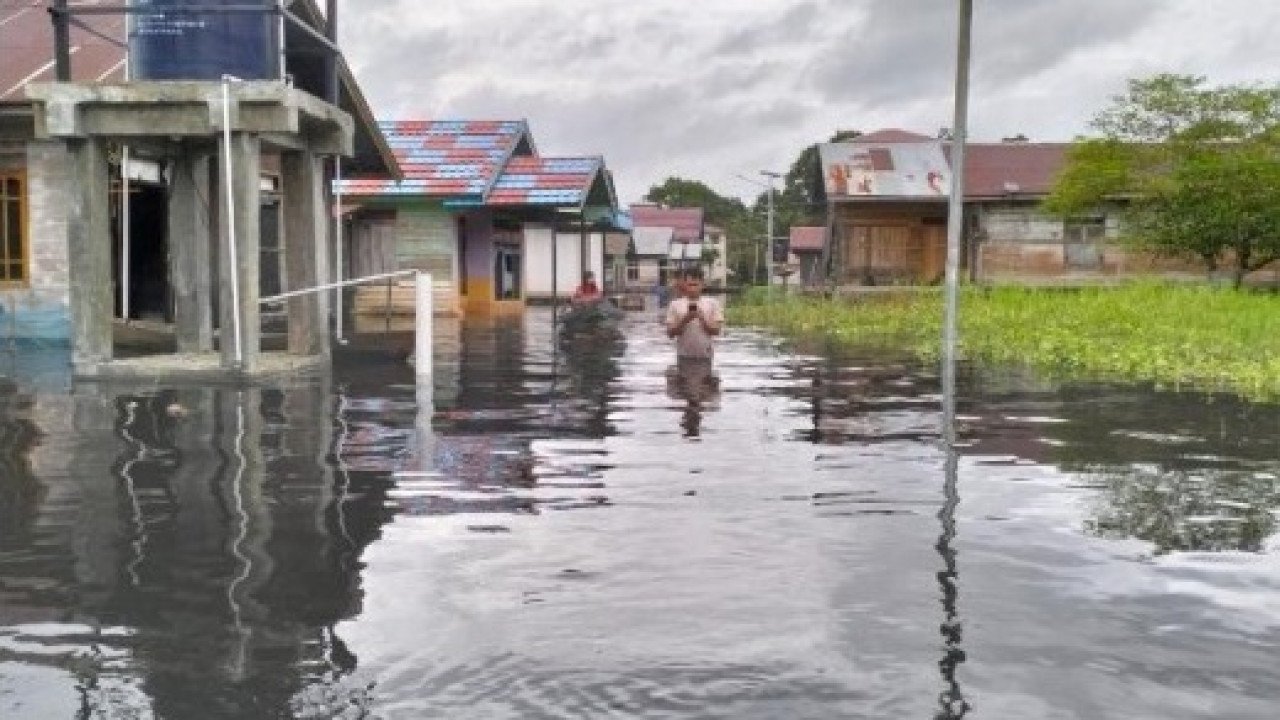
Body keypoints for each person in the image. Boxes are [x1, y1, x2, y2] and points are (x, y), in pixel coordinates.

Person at [664, 267, 723, 361]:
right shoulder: (675, 304)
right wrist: (685, 320)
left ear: (702, 284)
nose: (692, 289)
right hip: (683, 356)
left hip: (705, 356)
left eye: (695, 285)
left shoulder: (712, 303)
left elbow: (716, 331)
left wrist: (702, 319)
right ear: (684, 285)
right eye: (689, 285)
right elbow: (670, 334)